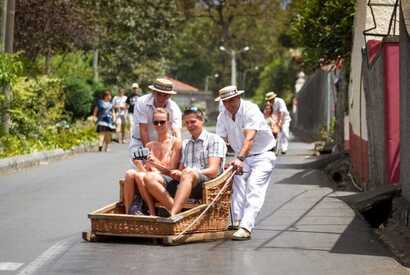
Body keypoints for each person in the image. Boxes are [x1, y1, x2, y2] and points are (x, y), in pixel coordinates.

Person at [216, 85, 276, 240]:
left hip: (263, 155)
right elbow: (220, 143)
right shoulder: (222, 116)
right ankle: (236, 221)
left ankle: (246, 227)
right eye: (225, 101)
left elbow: (250, 137)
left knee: (254, 187)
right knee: (237, 182)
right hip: (241, 157)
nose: (229, 104)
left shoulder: (250, 109)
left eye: (231, 100)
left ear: (238, 98)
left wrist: (240, 159)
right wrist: (222, 163)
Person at [143, 107, 227, 216]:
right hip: (184, 181)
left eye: (193, 122)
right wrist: (177, 172)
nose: (190, 125)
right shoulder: (186, 143)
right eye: (187, 123)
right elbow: (180, 170)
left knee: (188, 172)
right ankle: (176, 212)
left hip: (206, 185)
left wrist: (187, 172)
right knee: (149, 177)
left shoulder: (214, 139)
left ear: (202, 121)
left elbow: (213, 171)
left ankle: (173, 215)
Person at [123, 108, 182, 216]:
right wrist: (138, 164)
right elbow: (144, 171)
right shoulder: (149, 145)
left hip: (168, 179)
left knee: (142, 176)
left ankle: (152, 212)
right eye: (156, 122)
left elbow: (172, 170)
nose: (159, 125)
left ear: (168, 123)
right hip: (150, 178)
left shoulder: (175, 143)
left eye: (162, 122)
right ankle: (128, 212)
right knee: (130, 173)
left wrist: (154, 162)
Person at [129, 78, 182, 167]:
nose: (161, 98)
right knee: (138, 172)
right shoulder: (142, 102)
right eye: (158, 94)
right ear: (153, 92)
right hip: (140, 142)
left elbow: (177, 133)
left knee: (163, 172)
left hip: (162, 145)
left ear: (169, 96)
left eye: (165, 95)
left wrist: (177, 151)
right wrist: (149, 155)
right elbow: (143, 130)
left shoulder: (174, 108)